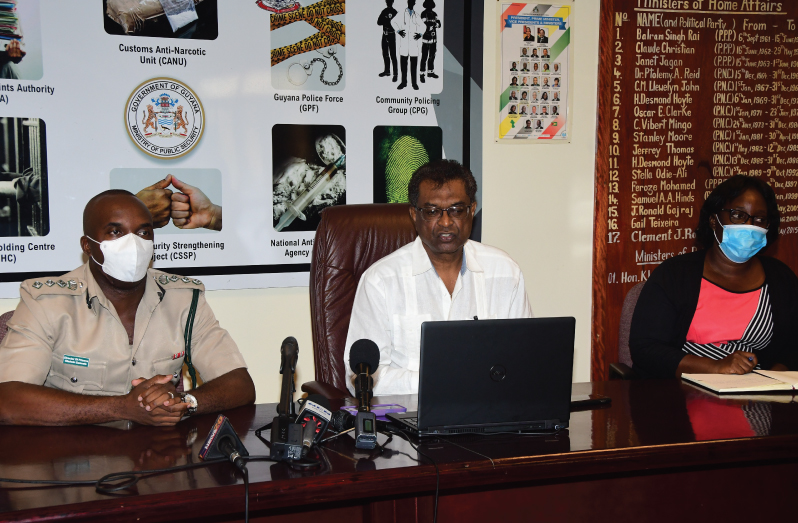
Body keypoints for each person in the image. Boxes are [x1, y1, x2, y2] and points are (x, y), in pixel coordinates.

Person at [0, 190, 255, 425]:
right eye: (115, 232)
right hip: (70, 459)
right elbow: (8, 401)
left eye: (143, 232)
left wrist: (185, 403)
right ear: (87, 246)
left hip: (157, 458)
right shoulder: (46, 302)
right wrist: (122, 408)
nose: (133, 244)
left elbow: (240, 385)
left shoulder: (185, 299)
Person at [344, 160, 532, 395]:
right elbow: (362, 380)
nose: (445, 222)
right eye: (432, 211)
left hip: (488, 416)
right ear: (414, 214)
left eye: (456, 210)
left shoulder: (505, 273)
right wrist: (444, 380)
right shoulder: (380, 281)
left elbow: (524, 363)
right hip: (409, 422)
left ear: (472, 210)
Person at [630, 176, 798, 379]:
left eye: (759, 219)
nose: (749, 225)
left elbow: (793, 344)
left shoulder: (781, 278)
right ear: (713, 220)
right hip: (679, 395)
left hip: (756, 398)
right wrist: (714, 367)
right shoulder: (674, 275)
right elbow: (645, 348)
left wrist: (776, 377)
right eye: (738, 215)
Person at [392, 0, 423, 90]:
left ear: (414, 3)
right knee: (403, 66)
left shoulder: (416, 15)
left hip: (413, 44)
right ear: (407, 2)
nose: (411, 3)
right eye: (410, 1)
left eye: (412, 1)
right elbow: (393, 21)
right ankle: (403, 82)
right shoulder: (402, 13)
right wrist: (398, 31)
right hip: (404, 44)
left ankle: (414, 83)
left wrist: (420, 34)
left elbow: (423, 26)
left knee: (414, 66)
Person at [419, 0, 441, 83]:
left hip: (434, 39)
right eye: (428, 5)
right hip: (425, 39)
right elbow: (424, 25)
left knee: (432, 56)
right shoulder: (423, 13)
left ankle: (430, 72)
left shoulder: (434, 14)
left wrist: (433, 24)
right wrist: (433, 24)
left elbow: (439, 24)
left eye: (431, 5)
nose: (430, 7)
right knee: (424, 57)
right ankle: (422, 74)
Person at [377, 0, 399, 82]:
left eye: (390, 1)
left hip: (392, 35)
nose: (388, 3)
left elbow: (397, 24)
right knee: (385, 53)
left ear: (392, 2)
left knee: (393, 55)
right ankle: (387, 71)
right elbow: (379, 22)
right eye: (387, 1)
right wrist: (387, 20)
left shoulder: (395, 12)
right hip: (384, 34)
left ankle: (395, 74)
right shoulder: (384, 11)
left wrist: (387, 21)